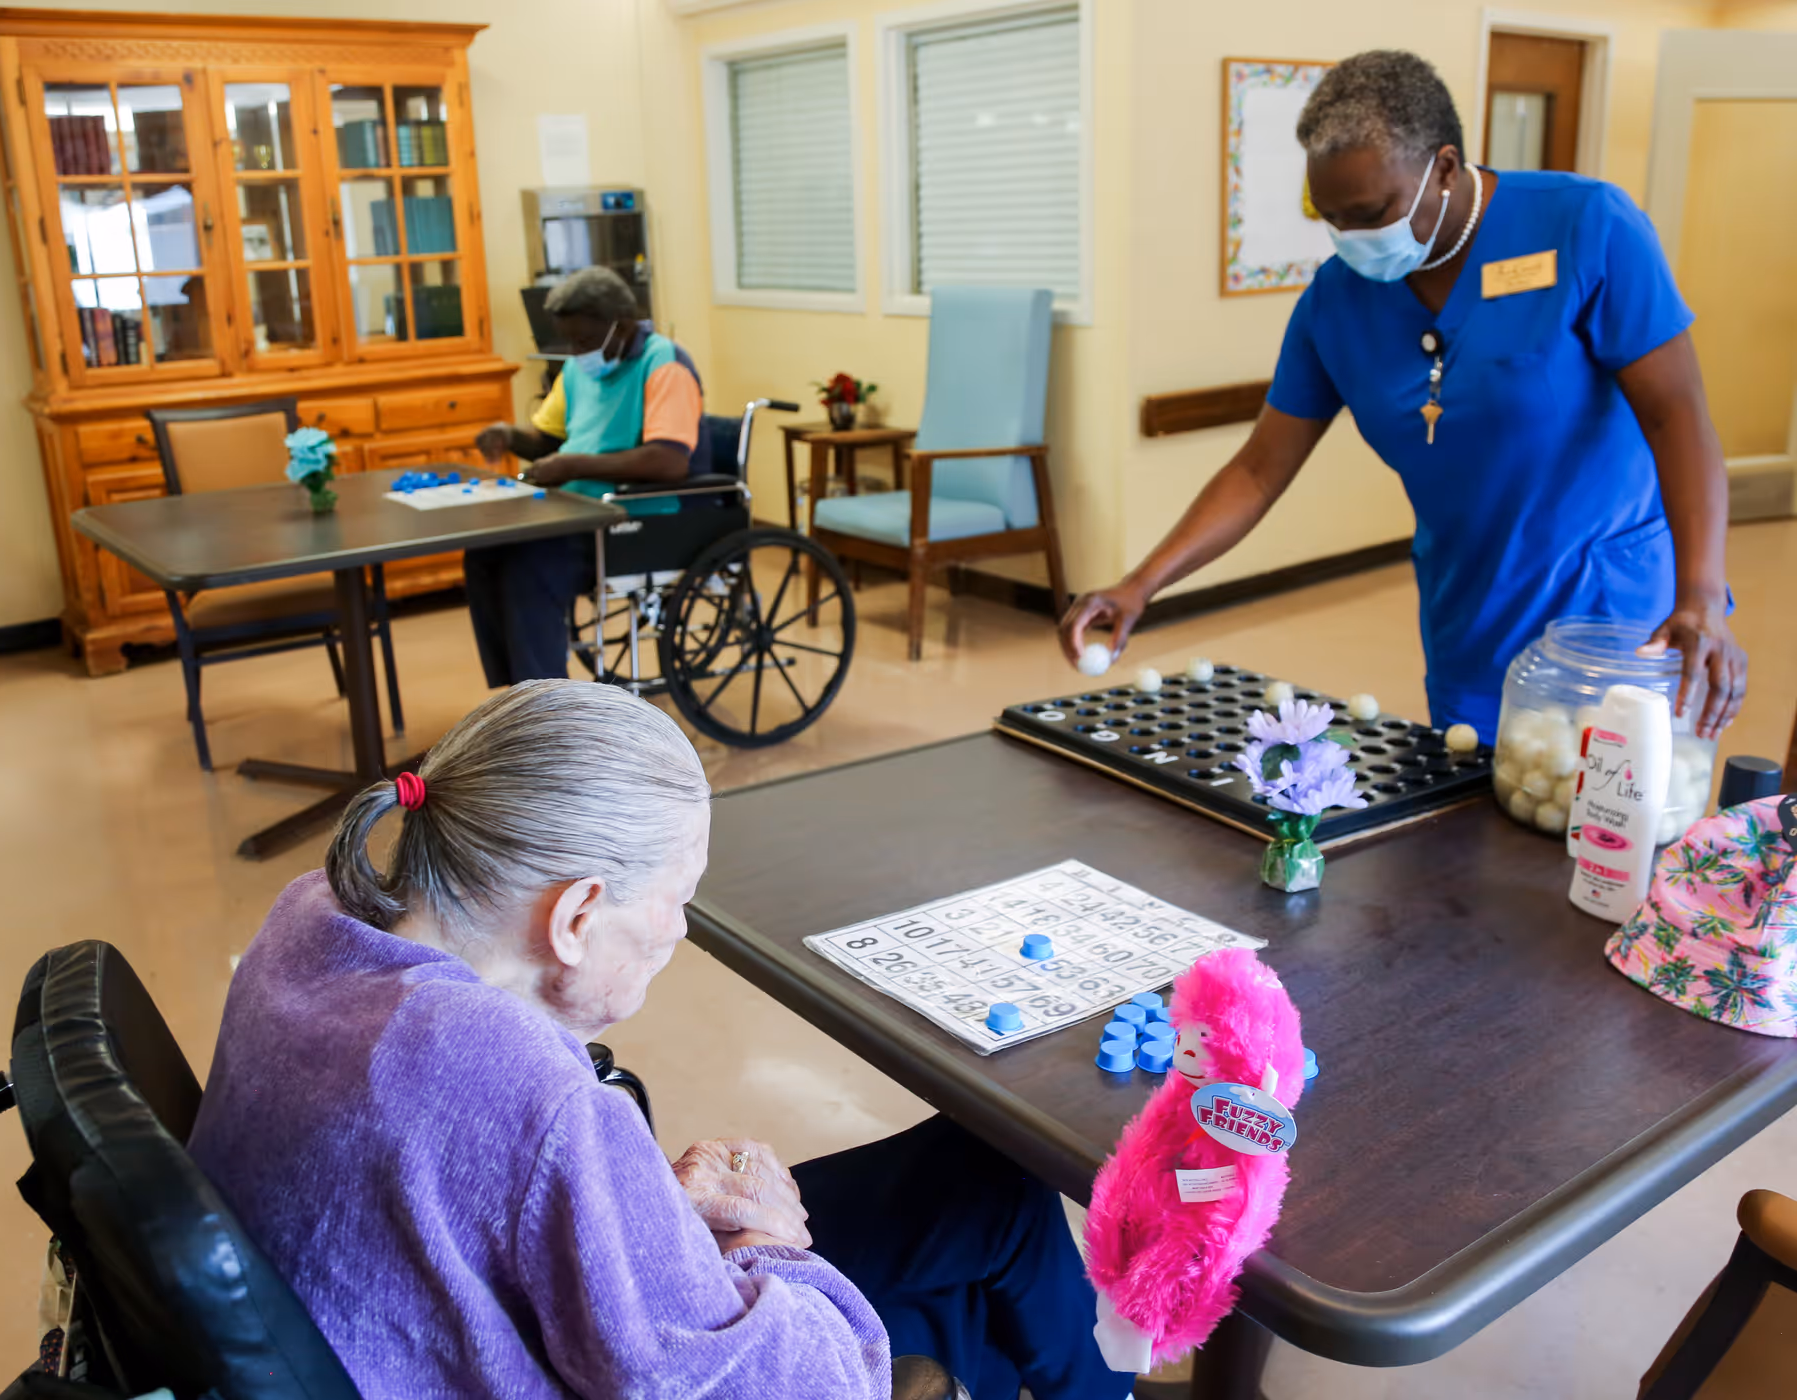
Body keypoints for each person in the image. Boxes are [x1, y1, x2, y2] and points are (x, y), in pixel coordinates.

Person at [188, 679, 1132, 1400]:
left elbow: (497, 1191)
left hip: (400, 1327)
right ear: (576, 915)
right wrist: (772, 1246)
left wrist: (634, 1208)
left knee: (976, 1189)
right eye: (674, 902)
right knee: (979, 1226)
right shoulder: (523, 1094)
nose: (679, 934)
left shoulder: (314, 919)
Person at [1062, 50, 1746, 743]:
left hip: (1618, 615)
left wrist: (1700, 594)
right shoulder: (1335, 302)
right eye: (1331, 219)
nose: (1354, 240)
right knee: (1484, 825)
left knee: (1615, 825)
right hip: (1473, 610)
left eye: (1372, 212)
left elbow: (1677, 414)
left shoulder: (1586, 227)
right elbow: (1258, 469)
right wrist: (1139, 583)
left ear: (1444, 168)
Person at [463, 267, 709, 689]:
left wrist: (573, 465)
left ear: (624, 326)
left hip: (638, 518)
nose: (576, 351)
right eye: (569, 340)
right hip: (579, 512)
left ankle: (547, 709)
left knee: (531, 567)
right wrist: (508, 435)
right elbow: (547, 438)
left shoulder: (664, 364)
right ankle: (517, 695)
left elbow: (669, 461)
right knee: (484, 553)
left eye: (584, 341)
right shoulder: (581, 368)